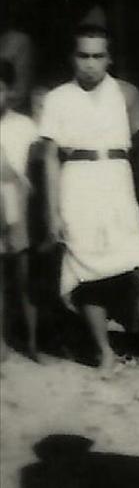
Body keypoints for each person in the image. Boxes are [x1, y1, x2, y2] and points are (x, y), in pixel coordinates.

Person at [38, 15, 139, 374]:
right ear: (72, 57)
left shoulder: (126, 94)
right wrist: (52, 211)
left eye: (97, 56)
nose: (90, 64)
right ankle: (104, 351)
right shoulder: (58, 99)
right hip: (77, 186)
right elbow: (49, 159)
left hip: (118, 181)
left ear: (109, 58)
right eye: (83, 56)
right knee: (86, 271)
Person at [1, 59, 41, 361]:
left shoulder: (24, 126)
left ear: (10, 91)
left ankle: (32, 342)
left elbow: (36, 170)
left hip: (20, 206)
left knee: (26, 278)